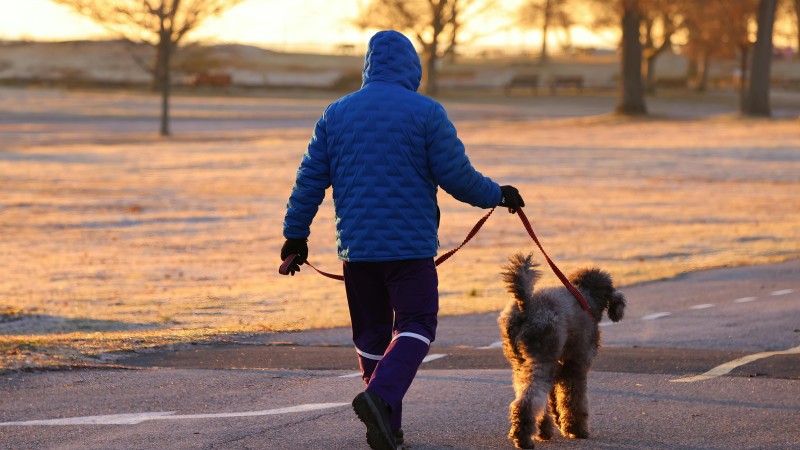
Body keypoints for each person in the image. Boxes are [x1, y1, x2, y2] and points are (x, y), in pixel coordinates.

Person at [280, 30, 524, 450]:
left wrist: (295, 237)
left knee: (372, 336)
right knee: (417, 325)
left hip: (357, 249)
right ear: (413, 68)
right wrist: (498, 194)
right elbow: (457, 178)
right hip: (409, 249)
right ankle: (380, 398)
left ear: (369, 66)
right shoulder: (426, 112)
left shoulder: (335, 114)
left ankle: (388, 427)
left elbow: (309, 182)